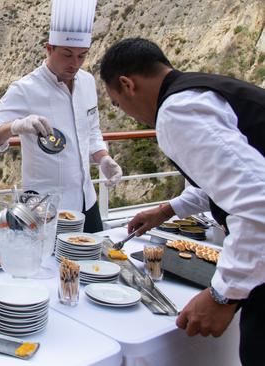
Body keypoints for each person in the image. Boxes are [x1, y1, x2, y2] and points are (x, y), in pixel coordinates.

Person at [100, 37, 265, 365]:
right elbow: (227, 180)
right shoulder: (200, 91)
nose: (129, 116)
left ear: (127, 84)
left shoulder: (176, 111)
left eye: (118, 105)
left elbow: (257, 200)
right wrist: (167, 209)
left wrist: (222, 295)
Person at [0, 0, 122, 233]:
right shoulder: (25, 88)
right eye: (67, 55)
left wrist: (103, 158)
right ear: (48, 48)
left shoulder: (87, 82)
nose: (75, 64)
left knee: (96, 262)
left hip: (87, 200)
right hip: (46, 208)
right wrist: (15, 126)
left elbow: (91, 130)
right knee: (52, 269)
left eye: (82, 56)